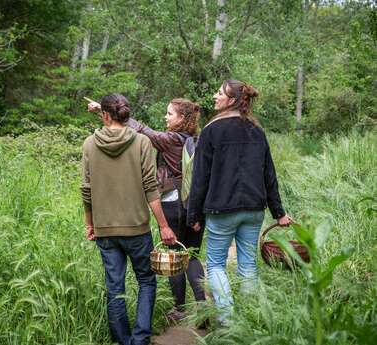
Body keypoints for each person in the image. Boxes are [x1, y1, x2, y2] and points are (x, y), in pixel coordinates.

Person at [88, 98, 207, 323]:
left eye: (169, 113)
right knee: (191, 256)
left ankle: (180, 310)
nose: (165, 117)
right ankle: (204, 311)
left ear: (182, 118)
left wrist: (107, 113)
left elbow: (144, 131)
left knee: (175, 255)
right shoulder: (195, 139)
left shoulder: (171, 140)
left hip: (174, 203)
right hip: (195, 205)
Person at [186, 80, 292, 325]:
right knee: (248, 266)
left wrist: (194, 216)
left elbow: (199, 178)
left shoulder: (211, 131)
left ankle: (228, 322)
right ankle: (251, 321)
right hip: (254, 209)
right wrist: (279, 213)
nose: (214, 96)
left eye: (219, 93)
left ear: (231, 100)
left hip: (222, 210)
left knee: (215, 265)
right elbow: (269, 174)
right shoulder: (257, 130)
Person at [81, 93, 176, 345]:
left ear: (104, 115)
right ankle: (140, 339)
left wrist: (90, 223)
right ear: (124, 114)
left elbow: (86, 189)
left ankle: (122, 341)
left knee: (114, 288)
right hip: (137, 230)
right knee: (146, 281)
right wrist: (164, 226)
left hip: (105, 229)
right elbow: (150, 187)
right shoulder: (142, 142)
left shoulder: (89, 144)